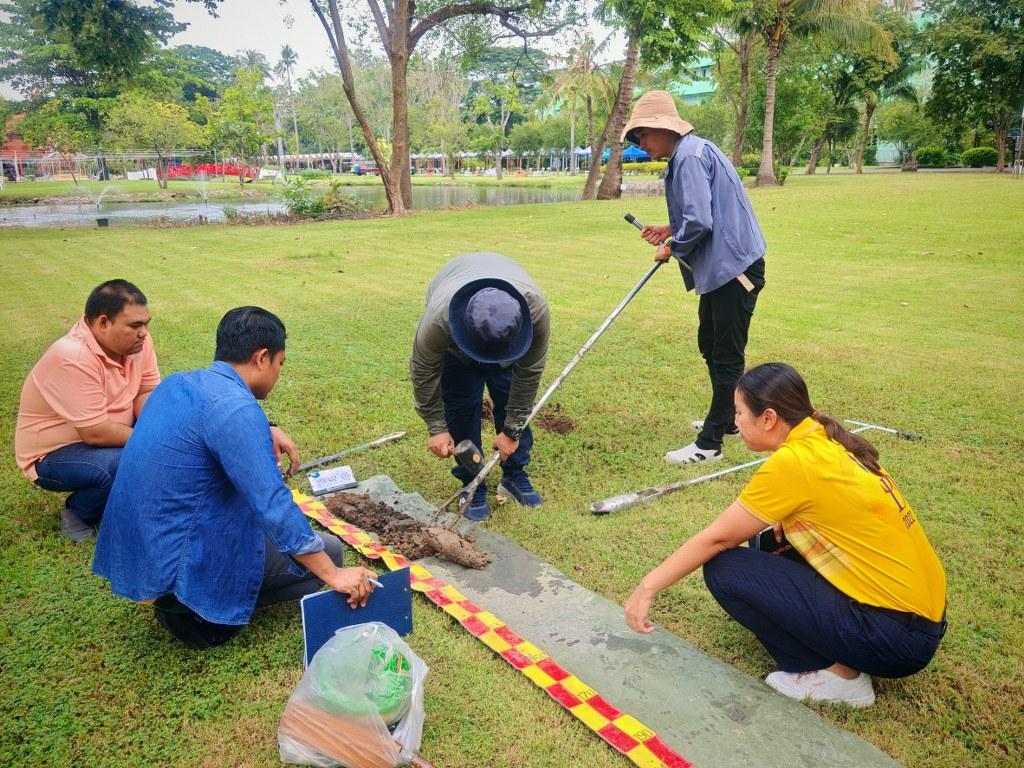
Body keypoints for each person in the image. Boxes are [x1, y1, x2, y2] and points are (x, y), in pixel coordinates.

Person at [624, 363, 946, 708]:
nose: (735, 423)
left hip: (895, 640)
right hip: (920, 623)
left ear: (769, 418)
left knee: (726, 569)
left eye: (740, 413)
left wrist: (647, 587)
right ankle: (843, 652)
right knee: (766, 537)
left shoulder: (794, 462)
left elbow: (718, 539)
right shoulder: (825, 436)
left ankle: (838, 677)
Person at [93, 307, 377, 650]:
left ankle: (184, 598)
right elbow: (272, 504)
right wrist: (333, 575)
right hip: (180, 569)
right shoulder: (235, 410)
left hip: (141, 555)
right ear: (261, 358)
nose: (279, 373)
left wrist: (265, 428)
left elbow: (206, 431)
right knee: (329, 552)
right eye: (280, 364)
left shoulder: (177, 384)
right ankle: (202, 612)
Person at [622, 90, 767, 464]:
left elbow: (701, 222)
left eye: (644, 135)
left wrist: (673, 247)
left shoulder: (688, 158)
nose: (641, 143)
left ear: (663, 128)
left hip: (735, 270)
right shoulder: (695, 150)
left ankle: (710, 442)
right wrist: (670, 228)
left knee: (725, 354)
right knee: (710, 342)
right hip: (725, 268)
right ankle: (728, 417)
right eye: (636, 138)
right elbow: (703, 211)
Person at [15, 279, 160, 541]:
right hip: (53, 456)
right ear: (103, 323)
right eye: (135, 325)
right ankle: (78, 513)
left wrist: (156, 426)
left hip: (111, 436)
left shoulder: (138, 345)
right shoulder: (72, 356)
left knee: (170, 436)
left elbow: (145, 391)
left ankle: (139, 500)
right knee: (123, 464)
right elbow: (95, 432)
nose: (144, 333)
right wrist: (150, 441)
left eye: (146, 323)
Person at [410, 252, 550, 521]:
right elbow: (423, 370)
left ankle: (514, 475)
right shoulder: (440, 318)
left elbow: (529, 374)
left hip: (508, 337)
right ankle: (472, 483)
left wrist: (512, 429)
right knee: (461, 403)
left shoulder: (535, 312)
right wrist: (436, 427)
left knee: (510, 393)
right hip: (455, 332)